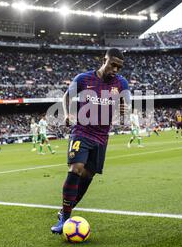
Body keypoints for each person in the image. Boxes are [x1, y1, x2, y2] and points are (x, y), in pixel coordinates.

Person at [51, 48, 130, 234]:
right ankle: (65, 218)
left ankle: (64, 211)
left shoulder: (121, 83)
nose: (116, 69)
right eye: (113, 64)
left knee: (88, 175)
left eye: (119, 67)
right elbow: (66, 96)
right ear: (105, 60)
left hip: (102, 137)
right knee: (76, 168)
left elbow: (125, 103)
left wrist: (124, 109)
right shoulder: (83, 79)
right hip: (82, 131)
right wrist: (67, 113)